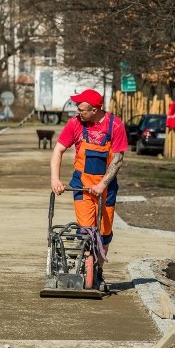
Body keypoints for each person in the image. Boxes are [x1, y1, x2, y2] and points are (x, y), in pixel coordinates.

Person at [50, 89, 128, 280]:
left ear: (95, 110)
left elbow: (117, 160)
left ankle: (98, 269)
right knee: (85, 230)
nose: (77, 111)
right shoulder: (75, 124)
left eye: (82, 109)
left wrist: (102, 184)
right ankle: (86, 267)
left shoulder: (115, 126)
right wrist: (55, 179)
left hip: (106, 188)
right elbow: (58, 150)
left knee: (104, 232)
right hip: (82, 186)